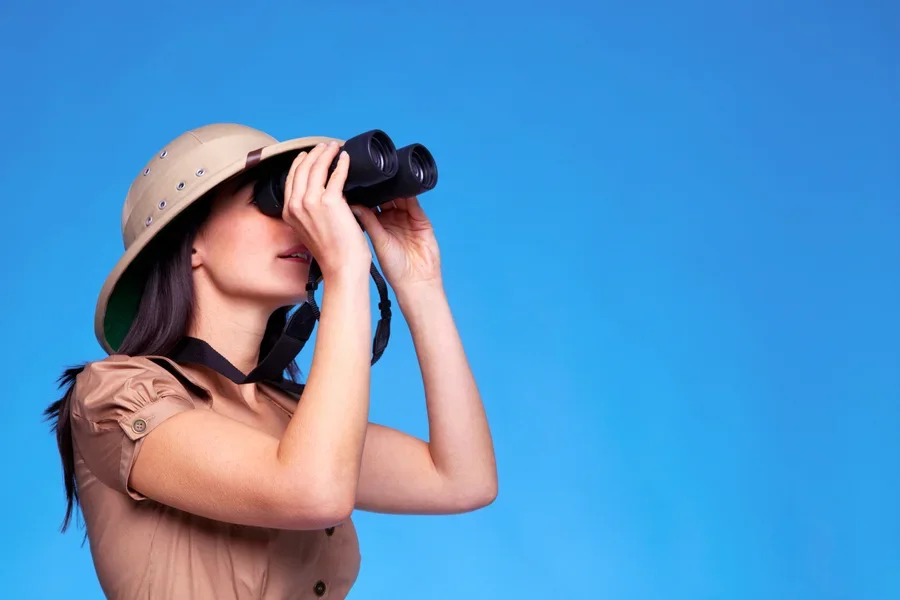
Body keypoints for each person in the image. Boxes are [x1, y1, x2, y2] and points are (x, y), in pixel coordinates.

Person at [44, 123, 498, 599]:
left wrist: (420, 286)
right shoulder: (113, 395)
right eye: (272, 201)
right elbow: (313, 490)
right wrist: (345, 271)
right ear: (191, 242)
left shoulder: (291, 418)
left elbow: (463, 480)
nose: (301, 222)